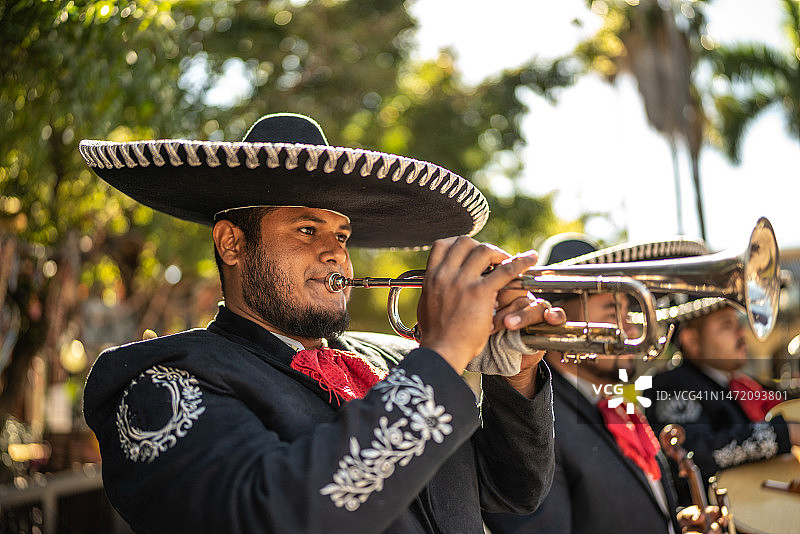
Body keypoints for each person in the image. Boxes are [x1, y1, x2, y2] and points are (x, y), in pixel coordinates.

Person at [79, 113, 564, 534]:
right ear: (232, 244)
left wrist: (515, 372)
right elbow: (274, 519)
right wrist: (444, 356)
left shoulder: (398, 362)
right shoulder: (158, 382)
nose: (336, 253)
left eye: (342, 235)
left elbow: (511, 495)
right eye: (307, 230)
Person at [482, 233, 710, 534]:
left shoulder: (607, 402)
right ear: (557, 319)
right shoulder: (531, 425)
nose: (630, 328)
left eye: (628, 313)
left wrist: (674, 525)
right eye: (613, 313)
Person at [645, 300, 800, 506]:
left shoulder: (730, 384)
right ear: (692, 341)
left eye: (737, 322)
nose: (741, 330)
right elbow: (694, 453)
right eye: (726, 324)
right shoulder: (673, 384)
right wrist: (783, 432)